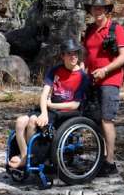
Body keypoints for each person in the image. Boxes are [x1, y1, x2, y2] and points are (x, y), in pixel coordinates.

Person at [8, 38, 89, 169]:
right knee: (20, 121)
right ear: (63, 55)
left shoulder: (82, 77)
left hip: (66, 113)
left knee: (33, 121)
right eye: (69, 53)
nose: (73, 56)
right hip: (49, 110)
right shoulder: (55, 70)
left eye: (75, 53)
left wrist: (51, 106)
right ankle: (24, 156)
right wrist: (45, 112)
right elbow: (44, 94)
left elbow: (75, 105)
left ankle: (33, 158)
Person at [82, 0, 124, 177]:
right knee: (95, 119)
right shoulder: (89, 30)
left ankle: (110, 162)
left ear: (106, 10)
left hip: (110, 80)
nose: (98, 11)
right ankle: (101, 157)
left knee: (106, 119)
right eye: (95, 8)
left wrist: (105, 70)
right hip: (92, 80)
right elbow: (86, 56)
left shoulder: (116, 29)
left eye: (101, 8)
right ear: (91, 11)